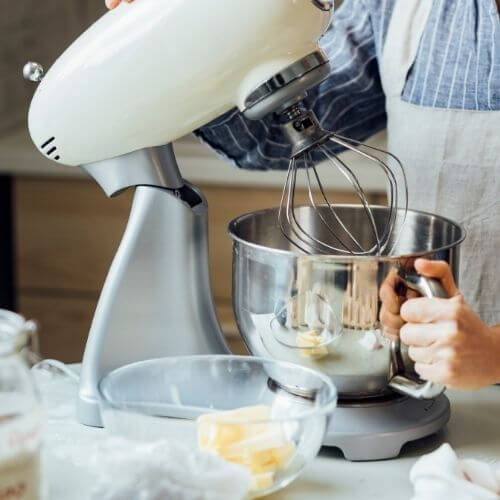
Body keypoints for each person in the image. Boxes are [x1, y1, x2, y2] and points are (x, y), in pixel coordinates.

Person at [107, 0, 500, 389]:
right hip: (418, 375)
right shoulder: (395, 7)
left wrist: (494, 353)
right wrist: (178, 38)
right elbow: (274, 129)